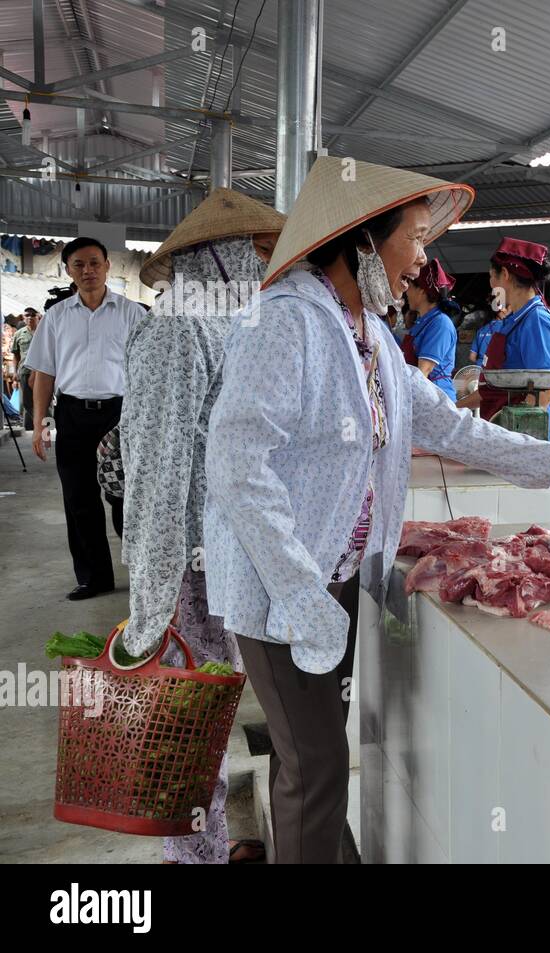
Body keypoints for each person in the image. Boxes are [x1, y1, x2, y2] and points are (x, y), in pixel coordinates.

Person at [204, 159, 550, 863]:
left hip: (329, 582)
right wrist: (302, 592)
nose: (424, 260)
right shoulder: (288, 321)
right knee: (318, 764)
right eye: (416, 239)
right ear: (361, 242)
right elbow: (237, 464)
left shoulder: (365, 336)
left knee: (311, 759)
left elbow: (450, 425)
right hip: (280, 589)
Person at [120, 187, 286, 865]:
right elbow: (157, 474)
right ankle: (193, 859)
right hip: (185, 571)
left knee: (205, 728)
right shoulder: (175, 331)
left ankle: (207, 848)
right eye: (257, 252)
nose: (265, 267)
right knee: (185, 738)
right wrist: (149, 608)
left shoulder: (227, 326)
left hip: (218, 563)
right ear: (220, 257)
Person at [25, 237, 146, 599]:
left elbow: (150, 371)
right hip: (73, 414)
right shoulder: (57, 318)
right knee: (79, 498)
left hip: (121, 416)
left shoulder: (133, 314)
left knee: (127, 498)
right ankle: (94, 578)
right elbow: (43, 374)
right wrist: (39, 424)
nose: (88, 270)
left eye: (94, 262)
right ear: (68, 270)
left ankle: (144, 574)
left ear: (108, 265)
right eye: (79, 264)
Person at [462, 238, 550, 441]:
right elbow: (492, 390)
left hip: (535, 439)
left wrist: (513, 437)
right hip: (509, 433)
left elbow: (545, 392)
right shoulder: (514, 319)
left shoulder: (536, 320)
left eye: (492, 277)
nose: (491, 285)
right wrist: (454, 409)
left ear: (506, 275)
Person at [403, 258, 459, 400]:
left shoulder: (440, 324)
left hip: (435, 399)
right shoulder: (423, 321)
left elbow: (424, 371)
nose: (406, 291)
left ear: (421, 291)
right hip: (423, 394)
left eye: (409, 286)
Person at [12, 307, 41, 430]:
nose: (30, 317)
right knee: (26, 402)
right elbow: (16, 354)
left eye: (33, 315)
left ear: (38, 317)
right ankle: (31, 428)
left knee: (45, 400)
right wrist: (14, 372)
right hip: (25, 370)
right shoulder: (19, 334)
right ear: (23, 318)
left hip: (43, 371)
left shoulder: (44, 331)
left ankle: (48, 427)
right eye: (27, 315)